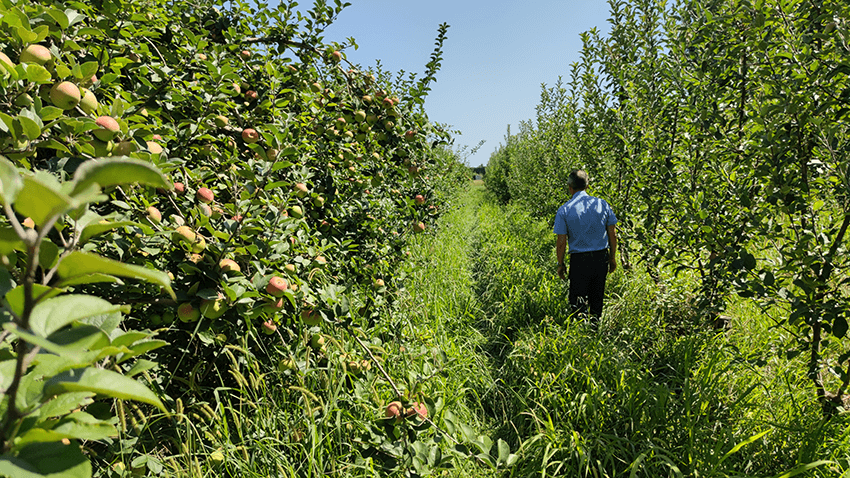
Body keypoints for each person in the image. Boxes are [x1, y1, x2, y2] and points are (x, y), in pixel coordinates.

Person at [553, 170, 618, 326]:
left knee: (578, 299)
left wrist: (560, 264)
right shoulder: (602, 204)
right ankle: (595, 329)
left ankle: (580, 333)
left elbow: (561, 241)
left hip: (579, 260)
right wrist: (612, 257)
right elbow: (612, 233)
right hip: (600, 257)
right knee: (597, 296)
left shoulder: (564, 210)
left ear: (570, 187)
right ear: (587, 185)